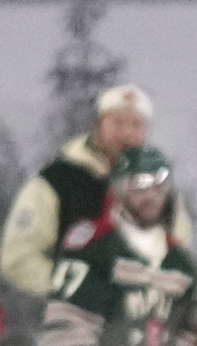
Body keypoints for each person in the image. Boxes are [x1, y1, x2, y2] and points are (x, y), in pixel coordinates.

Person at [39, 149, 197, 346]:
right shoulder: (92, 247)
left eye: (159, 185)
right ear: (118, 190)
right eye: (140, 186)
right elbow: (60, 338)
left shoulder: (181, 265)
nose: (151, 195)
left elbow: (181, 339)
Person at [2, 82, 178, 298]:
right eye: (117, 123)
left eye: (136, 125)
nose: (126, 134)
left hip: (145, 324)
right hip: (66, 321)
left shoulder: (161, 191)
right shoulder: (58, 181)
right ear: (98, 125)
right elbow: (17, 258)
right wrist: (71, 287)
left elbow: (178, 253)